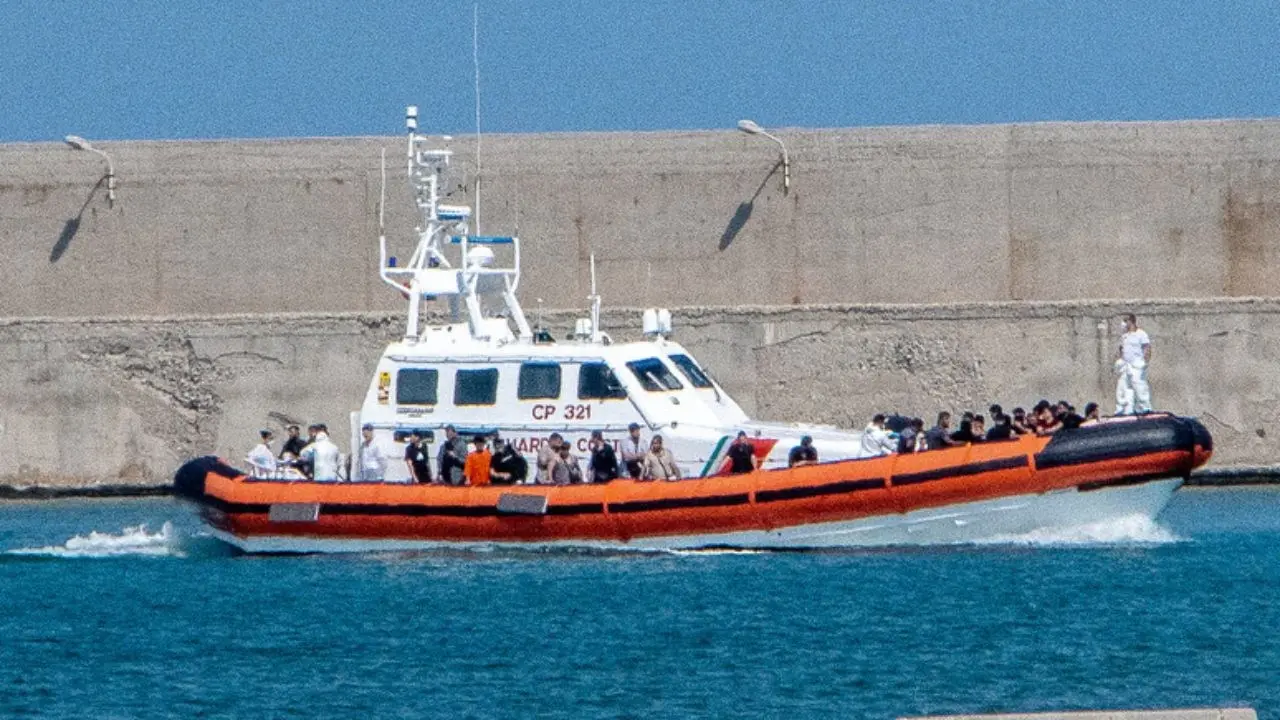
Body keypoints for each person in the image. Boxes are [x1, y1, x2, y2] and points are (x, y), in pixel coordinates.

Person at [1115, 313, 1153, 415]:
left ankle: (1145, 408)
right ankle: (1124, 410)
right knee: (1123, 387)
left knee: (1139, 386)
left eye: (1125, 321)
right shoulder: (1124, 336)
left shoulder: (1141, 334)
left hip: (1136, 365)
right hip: (1126, 365)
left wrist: (1145, 362)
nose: (1123, 323)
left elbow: (1147, 347)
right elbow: (1121, 349)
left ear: (1131, 321)